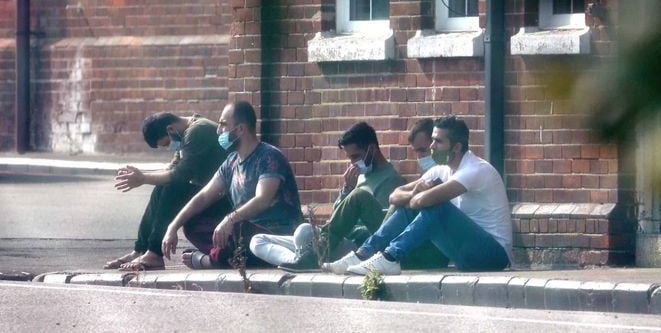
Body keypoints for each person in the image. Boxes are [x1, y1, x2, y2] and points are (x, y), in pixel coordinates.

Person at [322, 115, 512, 276]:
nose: (432, 146)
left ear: (456, 147)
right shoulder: (442, 170)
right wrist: (414, 192)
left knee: (438, 206)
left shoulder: (474, 169)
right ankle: (363, 254)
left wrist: (417, 196)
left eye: (438, 141)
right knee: (413, 203)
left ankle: (389, 257)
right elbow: (394, 196)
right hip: (464, 254)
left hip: (494, 255)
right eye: (432, 140)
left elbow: (424, 200)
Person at [161, 101, 303, 269]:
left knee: (237, 232)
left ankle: (208, 261)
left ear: (240, 129)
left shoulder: (269, 156)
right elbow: (204, 197)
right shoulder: (231, 162)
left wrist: (229, 220)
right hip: (242, 232)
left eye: (223, 124)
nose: (218, 130)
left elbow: (263, 199)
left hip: (274, 233)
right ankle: (226, 255)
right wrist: (173, 226)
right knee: (193, 224)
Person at [249, 121, 404, 270]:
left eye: (355, 156)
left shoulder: (391, 180)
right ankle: (300, 261)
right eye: (349, 157)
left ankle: (309, 259)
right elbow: (336, 216)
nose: (352, 163)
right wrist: (346, 189)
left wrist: (345, 227)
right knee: (257, 241)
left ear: (372, 149)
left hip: (355, 243)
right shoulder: (359, 176)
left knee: (304, 232)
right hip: (332, 238)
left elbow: (380, 228)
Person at [104, 112, 230, 271]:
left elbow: (181, 175)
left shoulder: (198, 131)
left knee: (173, 188)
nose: (169, 147)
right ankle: (141, 250)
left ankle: (154, 254)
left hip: (223, 198)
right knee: (161, 188)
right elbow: (172, 169)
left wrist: (143, 179)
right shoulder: (187, 133)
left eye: (166, 144)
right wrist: (142, 177)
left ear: (170, 129)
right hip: (211, 193)